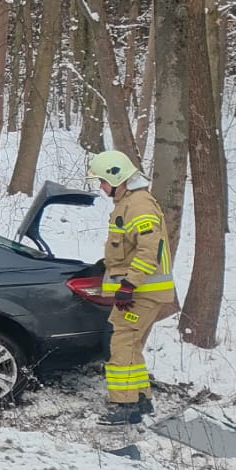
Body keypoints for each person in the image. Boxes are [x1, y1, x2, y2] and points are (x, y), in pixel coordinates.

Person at [90, 150, 177, 425]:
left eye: (103, 181)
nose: (101, 188)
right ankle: (140, 399)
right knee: (132, 345)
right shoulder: (129, 203)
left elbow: (148, 250)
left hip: (142, 291)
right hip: (140, 291)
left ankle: (124, 405)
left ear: (118, 178)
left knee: (122, 344)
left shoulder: (138, 205)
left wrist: (129, 284)